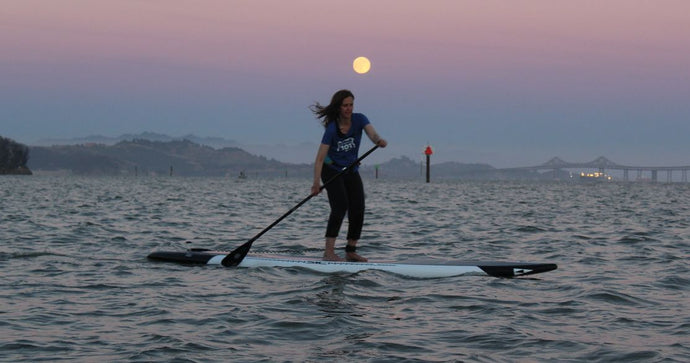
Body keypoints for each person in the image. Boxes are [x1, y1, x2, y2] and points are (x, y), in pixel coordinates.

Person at [310, 89, 387, 262]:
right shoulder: (332, 129)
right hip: (331, 170)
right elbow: (320, 158)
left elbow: (372, 133)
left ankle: (351, 250)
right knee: (340, 207)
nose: (348, 108)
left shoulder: (360, 119)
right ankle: (328, 252)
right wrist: (316, 183)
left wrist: (378, 141)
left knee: (358, 207)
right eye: (345, 105)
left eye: (351, 105)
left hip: (351, 169)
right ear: (338, 107)